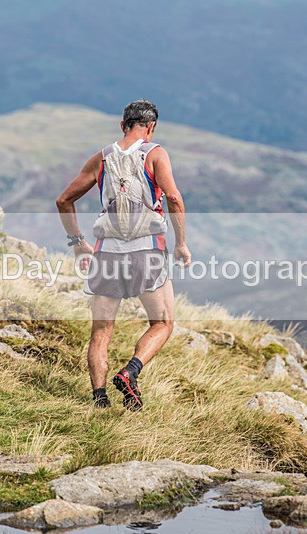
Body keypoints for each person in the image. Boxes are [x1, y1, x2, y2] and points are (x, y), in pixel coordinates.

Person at [56, 100, 191, 410]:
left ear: (122, 125)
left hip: (107, 255)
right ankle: (131, 371)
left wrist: (77, 242)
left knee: (102, 330)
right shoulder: (155, 154)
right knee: (163, 322)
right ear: (151, 127)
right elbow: (172, 197)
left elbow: (64, 201)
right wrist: (182, 242)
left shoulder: (101, 159)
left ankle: (99, 401)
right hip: (147, 252)